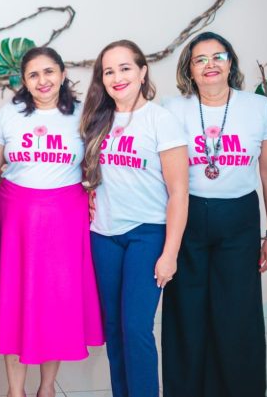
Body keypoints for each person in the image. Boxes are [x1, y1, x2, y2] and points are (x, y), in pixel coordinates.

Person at [161, 32, 267, 397]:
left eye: (218, 56)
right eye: (200, 59)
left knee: (237, 314)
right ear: (189, 69)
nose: (210, 65)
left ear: (231, 62)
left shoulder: (259, 108)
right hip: (186, 217)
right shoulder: (172, 109)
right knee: (186, 313)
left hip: (238, 218)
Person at [0, 47, 104, 397]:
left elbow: (94, 168)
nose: (42, 80)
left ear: (63, 74)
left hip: (65, 220)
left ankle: (47, 388)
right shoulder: (8, 115)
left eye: (49, 72)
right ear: (24, 80)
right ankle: (15, 390)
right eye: (33, 75)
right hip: (15, 219)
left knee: (55, 304)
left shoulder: (83, 114)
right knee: (15, 300)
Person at [79, 40, 188, 397]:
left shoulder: (161, 120)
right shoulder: (98, 120)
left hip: (147, 234)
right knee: (114, 329)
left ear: (142, 72)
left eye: (125, 68)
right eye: (108, 71)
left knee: (136, 328)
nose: (117, 77)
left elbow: (179, 192)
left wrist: (170, 254)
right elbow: (90, 177)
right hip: (103, 235)